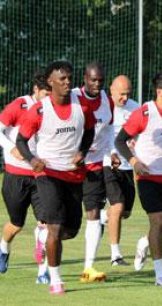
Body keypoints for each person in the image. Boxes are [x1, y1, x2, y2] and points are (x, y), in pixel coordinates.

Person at [16, 60, 96, 295]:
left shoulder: (82, 106)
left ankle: (43, 237)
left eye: (69, 77)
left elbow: (90, 131)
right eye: (62, 79)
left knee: (70, 231)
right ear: (50, 82)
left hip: (74, 174)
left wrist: (82, 150)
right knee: (55, 226)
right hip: (47, 173)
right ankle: (55, 279)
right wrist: (31, 160)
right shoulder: (40, 110)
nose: (67, 82)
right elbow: (21, 140)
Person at [116, 72, 162, 287]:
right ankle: (159, 274)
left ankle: (145, 242)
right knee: (157, 220)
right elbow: (120, 141)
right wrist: (134, 161)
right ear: (160, 92)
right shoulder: (144, 113)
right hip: (148, 177)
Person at [0, 70, 51, 284]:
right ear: (35, 90)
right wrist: (11, 148)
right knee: (16, 224)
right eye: (45, 94)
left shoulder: (54, 109)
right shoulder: (20, 105)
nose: (49, 98)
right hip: (15, 175)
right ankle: (3, 248)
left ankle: (44, 271)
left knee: (46, 224)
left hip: (42, 175)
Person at [72, 62, 114, 281]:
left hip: (95, 164)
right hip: (68, 166)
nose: (97, 84)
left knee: (94, 214)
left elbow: (108, 131)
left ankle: (88, 268)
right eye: (93, 80)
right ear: (85, 78)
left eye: (101, 80)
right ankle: (43, 240)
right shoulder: (71, 97)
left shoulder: (107, 100)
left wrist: (112, 152)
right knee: (66, 224)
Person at [101, 75, 139, 266]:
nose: (124, 98)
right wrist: (109, 154)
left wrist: (136, 142)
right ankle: (115, 255)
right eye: (121, 94)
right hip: (108, 164)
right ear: (112, 90)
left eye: (128, 94)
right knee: (117, 207)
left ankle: (102, 218)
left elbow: (141, 132)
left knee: (125, 212)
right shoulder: (104, 106)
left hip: (128, 166)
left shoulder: (135, 108)